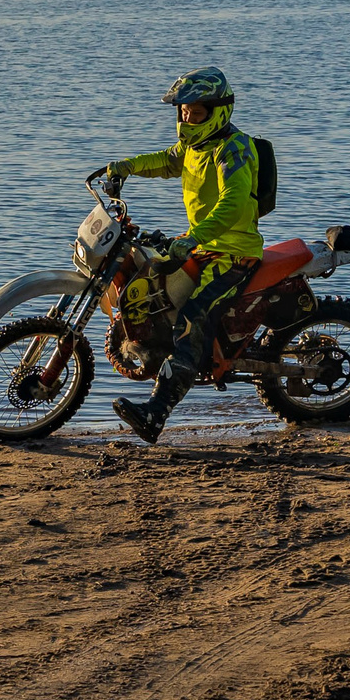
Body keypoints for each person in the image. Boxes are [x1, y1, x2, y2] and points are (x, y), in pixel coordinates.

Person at [93, 67, 263, 443]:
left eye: (196, 112)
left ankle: (155, 414)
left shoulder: (232, 149)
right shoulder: (194, 146)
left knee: (192, 317)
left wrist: (197, 236)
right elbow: (169, 161)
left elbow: (233, 203)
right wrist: (125, 166)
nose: (187, 118)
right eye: (183, 111)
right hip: (203, 244)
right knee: (153, 281)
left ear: (217, 111)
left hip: (232, 253)